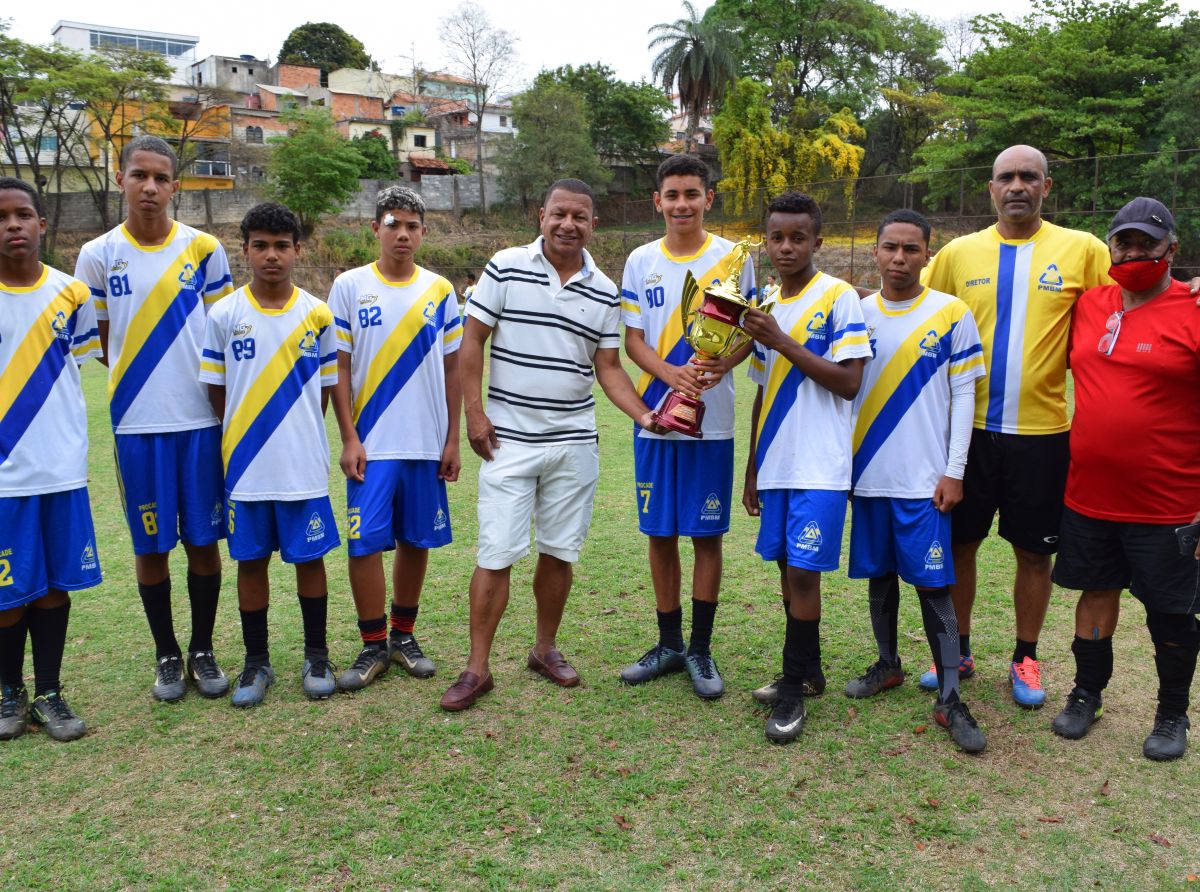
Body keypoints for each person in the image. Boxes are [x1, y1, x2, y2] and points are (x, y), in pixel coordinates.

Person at [442, 178, 661, 712]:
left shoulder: (604, 289)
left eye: (579, 217)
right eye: (559, 213)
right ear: (541, 215)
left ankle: (544, 649)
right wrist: (475, 414)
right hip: (507, 442)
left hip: (573, 444)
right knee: (496, 553)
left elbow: (608, 369)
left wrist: (646, 416)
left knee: (559, 551)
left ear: (593, 224)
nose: (568, 224)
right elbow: (472, 340)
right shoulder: (505, 264)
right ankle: (477, 668)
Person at [919, 144, 1113, 709]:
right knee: (961, 544)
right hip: (967, 434)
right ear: (991, 189)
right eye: (1007, 177)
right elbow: (909, 301)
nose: (1018, 186)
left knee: (1035, 553)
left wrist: (1185, 293)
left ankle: (1025, 655)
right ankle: (956, 649)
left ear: (1048, 187)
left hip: (1044, 434)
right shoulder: (958, 253)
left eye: (1030, 176)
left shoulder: (1083, 250)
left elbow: (1130, 303)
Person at [74, 135, 234, 703]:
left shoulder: (205, 249)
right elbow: (100, 341)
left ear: (175, 186)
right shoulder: (97, 255)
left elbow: (224, 333)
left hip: (199, 423)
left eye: (161, 178)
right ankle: (167, 654)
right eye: (139, 175)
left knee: (202, 541)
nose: (150, 187)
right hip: (136, 425)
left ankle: (203, 649)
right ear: (121, 179)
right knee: (151, 547)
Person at [1049, 197, 1200, 762]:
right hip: (1089, 495)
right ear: (1109, 247)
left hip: (1171, 502)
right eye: (1124, 242)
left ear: (1172, 250)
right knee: (1095, 594)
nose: (1134, 253)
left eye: (1147, 244)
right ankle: (1087, 693)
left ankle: (1171, 713)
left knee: (1171, 611)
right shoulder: (1090, 305)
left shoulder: (1193, 306)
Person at [845, 209, 987, 753]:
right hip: (869, 477)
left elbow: (964, 396)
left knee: (932, 586)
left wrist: (955, 470)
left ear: (928, 253)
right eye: (890, 248)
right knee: (880, 578)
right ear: (876, 252)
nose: (899, 258)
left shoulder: (951, 313)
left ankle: (951, 694)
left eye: (910, 248)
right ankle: (887, 664)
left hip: (925, 483)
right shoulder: (857, 314)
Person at [617, 154, 755, 700]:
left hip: (712, 423)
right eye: (671, 195)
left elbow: (749, 329)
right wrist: (669, 373)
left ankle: (700, 648)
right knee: (660, 533)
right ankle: (668, 642)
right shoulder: (639, 260)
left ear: (708, 199)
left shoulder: (732, 257)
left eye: (691, 194)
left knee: (705, 535)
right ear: (657, 201)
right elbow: (632, 340)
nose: (681, 204)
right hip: (654, 417)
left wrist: (726, 361)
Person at [740, 192, 871, 743]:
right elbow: (761, 392)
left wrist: (782, 340)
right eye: (777, 237)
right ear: (766, 242)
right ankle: (809, 670)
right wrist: (750, 468)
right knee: (783, 570)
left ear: (818, 241)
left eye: (799, 237)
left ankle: (792, 690)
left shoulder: (839, 298)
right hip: (775, 463)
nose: (787, 246)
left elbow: (848, 382)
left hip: (819, 465)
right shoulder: (764, 301)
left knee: (803, 573)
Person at [199, 203, 340, 707]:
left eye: (282, 245)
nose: (272, 255)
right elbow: (216, 393)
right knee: (251, 563)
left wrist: (295, 432)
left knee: (310, 559)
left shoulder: (318, 313)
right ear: (246, 250)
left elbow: (323, 392)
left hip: (302, 465)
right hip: (245, 468)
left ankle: (317, 654)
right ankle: (256, 662)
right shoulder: (224, 314)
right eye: (261, 245)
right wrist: (244, 435)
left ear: (298, 250)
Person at [329, 187, 462, 690]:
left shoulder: (440, 290)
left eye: (411, 225)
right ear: (375, 229)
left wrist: (451, 440)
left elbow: (454, 371)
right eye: (392, 224)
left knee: (416, 538)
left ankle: (404, 636)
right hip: (371, 443)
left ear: (423, 232)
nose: (402, 234)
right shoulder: (348, 286)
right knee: (363, 544)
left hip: (426, 443)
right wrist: (348, 437)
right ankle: (371, 646)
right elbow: (338, 369)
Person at [0, 178, 102, 742]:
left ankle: (50, 692)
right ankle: (9, 692)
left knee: (54, 586)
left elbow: (77, 371)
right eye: (2, 216)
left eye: (23, 214)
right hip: (5, 473)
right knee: (9, 590)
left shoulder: (73, 295)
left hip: (60, 466)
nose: (13, 224)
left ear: (42, 224)